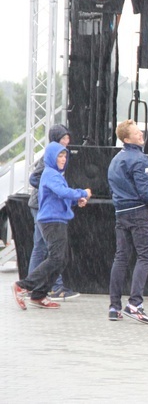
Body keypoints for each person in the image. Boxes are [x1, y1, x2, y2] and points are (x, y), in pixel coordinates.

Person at [11, 142, 90, 310]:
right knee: (56, 258)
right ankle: (23, 285)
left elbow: (60, 196)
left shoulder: (55, 175)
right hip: (51, 220)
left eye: (64, 156)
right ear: (51, 158)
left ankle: (39, 294)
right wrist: (83, 193)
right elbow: (62, 192)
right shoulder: (51, 174)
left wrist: (77, 200)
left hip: (56, 219)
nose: (63, 159)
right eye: (59, 156)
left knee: (61, 259)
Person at [108, 120, 148, 324]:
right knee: (145, 256)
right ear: (126, 138)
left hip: (121, 212)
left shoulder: (115, 159)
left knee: (121, 257)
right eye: (136, 133)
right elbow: (144, 189)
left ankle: (114, 306)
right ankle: (135, 303)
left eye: (140, 131)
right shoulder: (140, 160)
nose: (141, 134)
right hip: (138, 212)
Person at [27, 124, 80, 300]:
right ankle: (51, 286)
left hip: (42, 206)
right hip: (42, 206)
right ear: (56, 139)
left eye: (68, 137)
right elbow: (35, 177)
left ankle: (33, 286)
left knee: (42, 247)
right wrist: (48, 189)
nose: (68, 141)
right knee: (50, 250)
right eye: (64, 138)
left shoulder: (58, 156)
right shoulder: (49, 160)